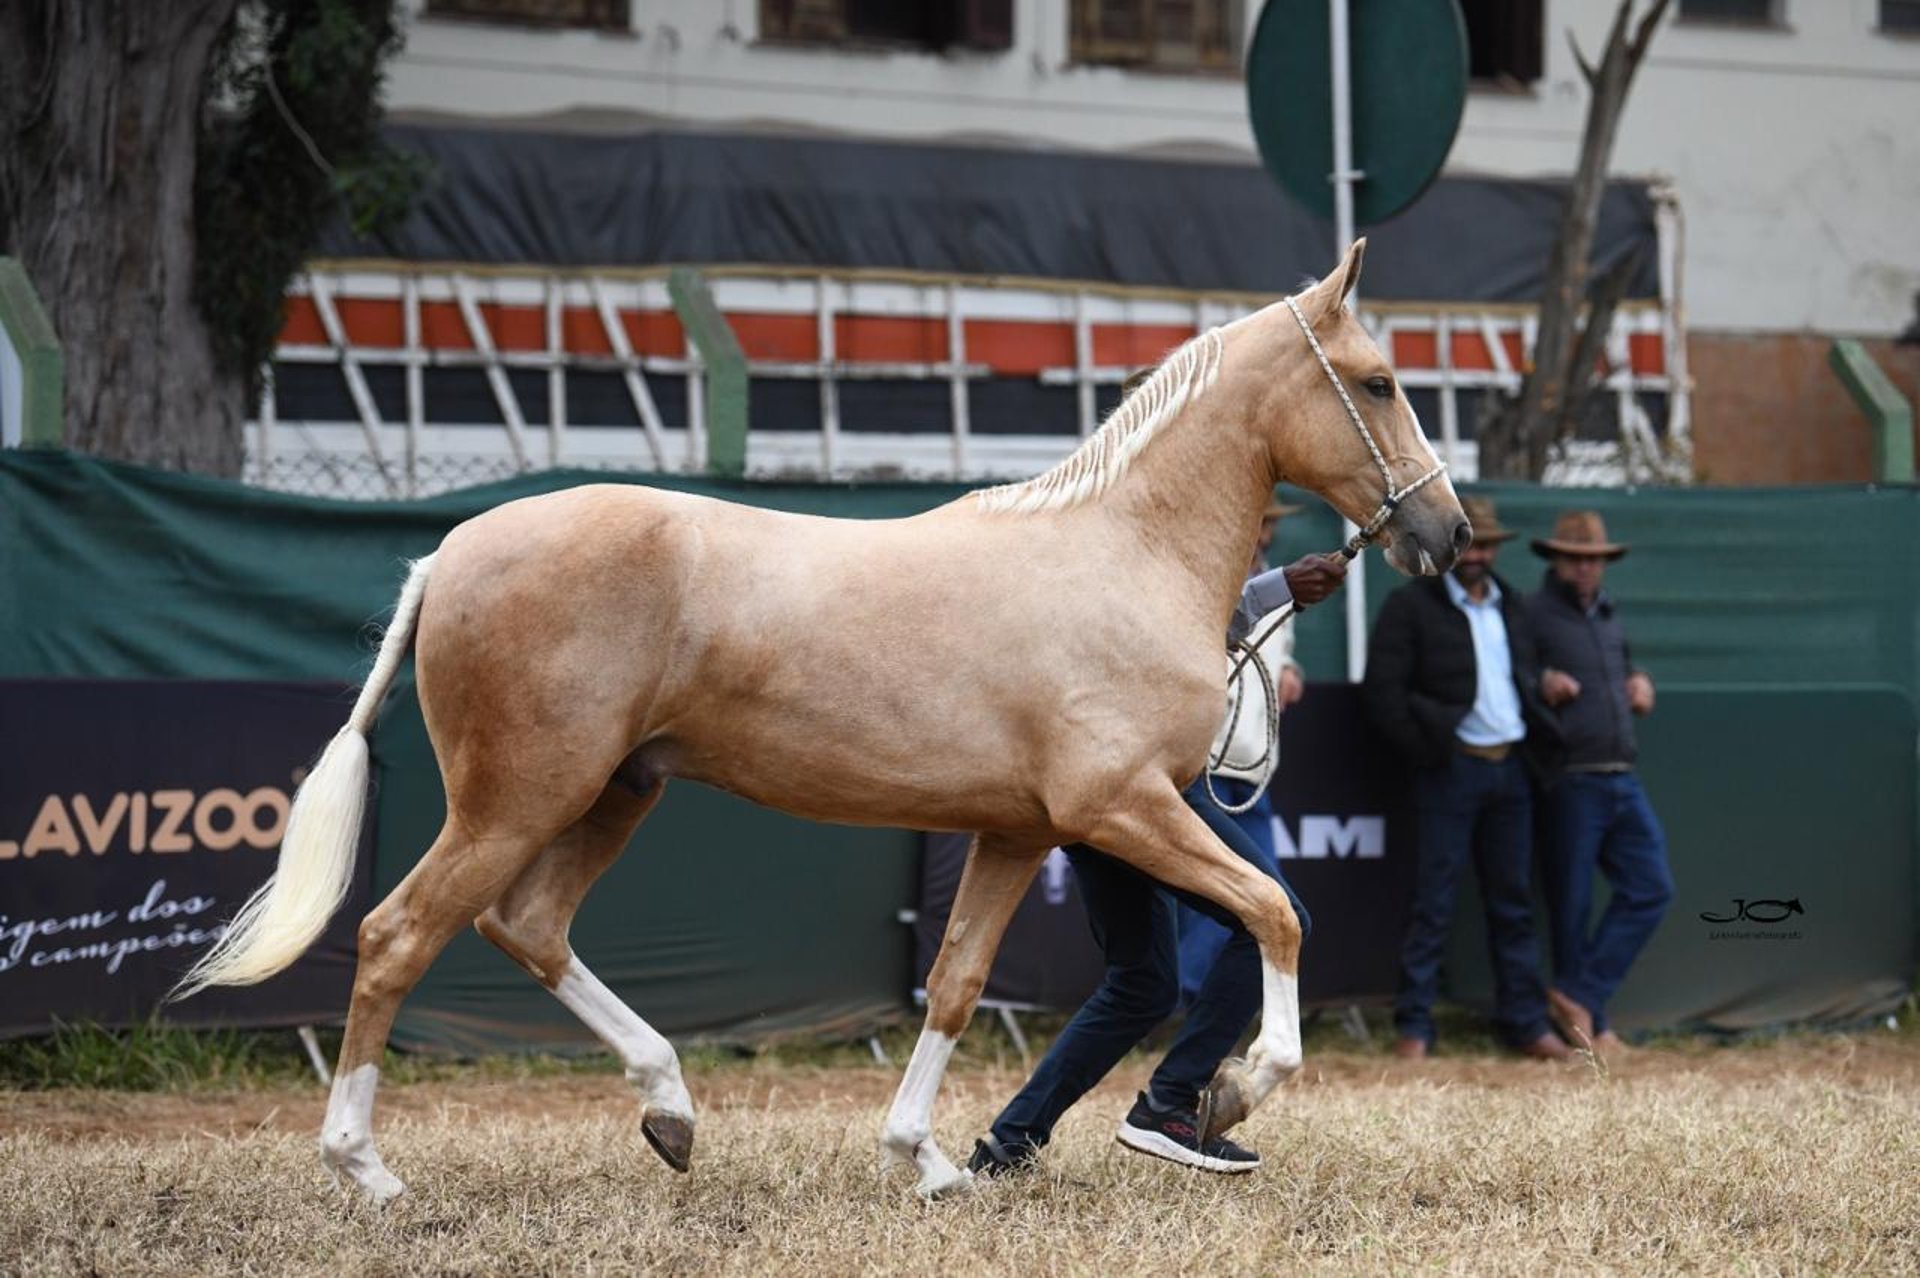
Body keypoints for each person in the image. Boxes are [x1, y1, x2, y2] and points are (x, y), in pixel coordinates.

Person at [968, 549, 1347, 1178]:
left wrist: (1280, 595)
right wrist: (1277, 588)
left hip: (1093, 784)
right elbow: (1183, 623)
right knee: (1275, 923)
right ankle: (1169, 1107)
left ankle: (1010, 1144)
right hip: (1151, 783)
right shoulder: (1161, 561)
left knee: (1142, 983)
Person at [1362, 495, 1569, 1061]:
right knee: (1434, 902)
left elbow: (1526, 676)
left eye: (1486, 545)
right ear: (1449, 547)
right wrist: (1433, 749)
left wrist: (1546, 688)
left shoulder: (1516, 608)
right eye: (1468, 544)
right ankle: (1415, 1028)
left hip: (1511, 770)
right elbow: (1383, 695)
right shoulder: (1411, 607)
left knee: (1513, 903)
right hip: (1449, 770)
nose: (1477, 555)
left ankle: (1526, 1024)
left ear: (1498, 550)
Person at [1526, 511, 1672, 1057]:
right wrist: (1542, 683)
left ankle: (1579, 995)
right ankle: (1592, 1027)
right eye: (1576, 558)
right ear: (1557, 560)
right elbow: (1516, 676)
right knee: (1572, 906)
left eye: (1595, 559)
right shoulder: (1534, 615)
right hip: (1570, 778)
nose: (1587, 568)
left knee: (1652, 886)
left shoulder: (1609, 615)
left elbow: (1627, 671)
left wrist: (1642, 685)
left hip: (1621, 774)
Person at [1174, 493, 1305, 1008]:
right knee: (1245, 893)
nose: (1261, 532)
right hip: (1206, 762)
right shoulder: (1205, 580)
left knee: (1250, 895)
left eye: (1267, 523)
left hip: (1252, 767)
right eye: (1255, 520)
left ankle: (1187, 1003)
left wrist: (1289, 671)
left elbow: (1279, 650)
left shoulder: (1279, 587)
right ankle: (1181, 997)